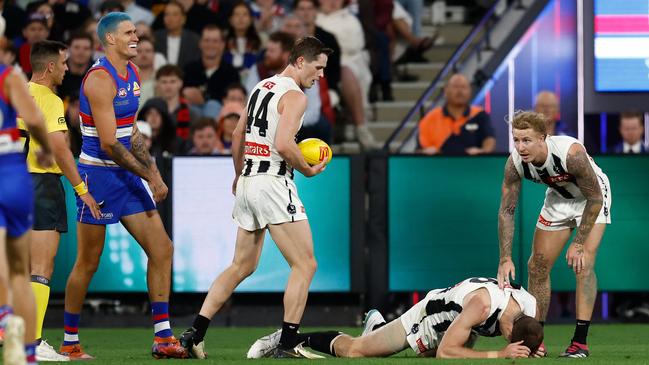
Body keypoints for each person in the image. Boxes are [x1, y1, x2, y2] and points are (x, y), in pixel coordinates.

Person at [178, 36, 330, 359]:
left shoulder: (261, 86)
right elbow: (286, 145)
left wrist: (238, 174)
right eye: (318, 68)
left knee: (240, 265)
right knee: (305, 264)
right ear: (300, 62)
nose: (320, 76)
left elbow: (237, 135)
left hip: (248, 179)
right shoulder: (295, 97)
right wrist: (308, 170)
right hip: (274, 183)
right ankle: (289, 342)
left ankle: (194, 333)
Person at [58, 12, 187, 360]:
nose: (137, 37)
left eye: (137, 31)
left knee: (162, 249)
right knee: (88, 262)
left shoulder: (132, 72)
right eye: (129, 33)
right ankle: (69, 341)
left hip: (126, 174)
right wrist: (151, 175)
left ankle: (163, 337)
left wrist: (150, 166)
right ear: (110, 39)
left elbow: (129, 132)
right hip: (97, 176)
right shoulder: (99, 80)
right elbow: (110, 144)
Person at [496, 111, 612, 358]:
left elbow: (594, 198)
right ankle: (536, 339)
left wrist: (578, 243)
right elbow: (506, 211)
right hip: (559, 199)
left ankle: (579, 343)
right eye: (516, 140)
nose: (520, 147)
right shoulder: (515, 163)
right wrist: (505, 258)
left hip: (591, 198)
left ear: (542, 138)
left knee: (583, 264)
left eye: (526, 140)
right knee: (536, 267)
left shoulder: (570, 153)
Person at [17, 40, 101, 362]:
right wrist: (82, 190)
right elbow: (60, 150)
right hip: (40, 184)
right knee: (40, 268)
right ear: (50, 66)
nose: (68, 69)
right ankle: (33, 343)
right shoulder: (49, 100)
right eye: (64, 63)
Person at [249, 277, 543, 359]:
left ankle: (376, 325)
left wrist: (533, 347)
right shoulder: (481, 306)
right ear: (507, 332)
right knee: (356, 351)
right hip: (429, 317)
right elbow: (446, 352)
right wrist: (499, 354)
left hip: (457, 321)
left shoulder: (529, 307)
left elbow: (529, 332)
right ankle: (290, 339)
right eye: (508, 338)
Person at [0, 14, 54, 365]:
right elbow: (34, 119)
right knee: (20, 270)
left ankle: (4, 318)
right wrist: (45, 149)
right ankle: (29, 354)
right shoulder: (9, 76)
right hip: (12, 172)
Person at [418, 73, 496, 155]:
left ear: (470, 91)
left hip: (472, 164)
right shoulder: (431, 117)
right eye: (455, 87)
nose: (460, 91)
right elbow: (420, 149)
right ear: (445, 91)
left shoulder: (480, 114)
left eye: (463, 87)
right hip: (438, 165)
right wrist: (426, 152)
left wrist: (484, 152)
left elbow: (489, 138)